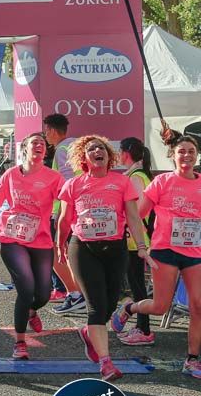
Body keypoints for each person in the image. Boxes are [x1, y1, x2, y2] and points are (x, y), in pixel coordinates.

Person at [55, 135, 152, 381]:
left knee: (108, 304)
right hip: (84, 248)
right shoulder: (74, 184)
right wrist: (59, 245)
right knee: (96, 306)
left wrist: (141, 246)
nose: (97, 151)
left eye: (101, 148)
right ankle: (106, 363)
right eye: (91, 149)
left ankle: (89, 333)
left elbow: (132, 216)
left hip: (116, 248)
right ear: (84, 158)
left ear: (109, 156)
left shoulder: (122, 182)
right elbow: (65, 220)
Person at [112, 132, 201, 379]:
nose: (186, 155)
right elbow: (138, 214)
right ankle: (129, 308)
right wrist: (140, 244)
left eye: (191, 151)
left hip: (194, 253)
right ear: (172, 156)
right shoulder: (162, 183)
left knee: (198, 306)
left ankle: (192, 359)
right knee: (160, 306)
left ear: (197, 156)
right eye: (181, 151)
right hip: (165, 252)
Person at [0, 133, 63, 360]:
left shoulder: (53, 177)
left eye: (42, 144)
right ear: (24, 148)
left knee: (43, 294)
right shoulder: (10, 175)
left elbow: (68, 198)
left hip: (41, 239)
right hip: (12, 238)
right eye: (35, 143)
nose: (39, 146)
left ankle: (32, 309)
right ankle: (20, 342)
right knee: (25, 288)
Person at [44, 113, 86, 312]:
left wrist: (60, 213)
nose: (45, 136)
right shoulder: (75, 145)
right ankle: (78, 293)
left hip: (65, 210)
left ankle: (75, 293)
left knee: (55, 252)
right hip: (78, 208)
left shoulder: (62, 149)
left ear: (52, 130)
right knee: (66, 253)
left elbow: (68, 184)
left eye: (46, 131)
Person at [116, 137, 155, 346]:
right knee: (136, 284)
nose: (119, 156)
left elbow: (138, 211)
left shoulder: (136, 176)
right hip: (135, 238)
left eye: (120, 151)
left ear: (126, 152)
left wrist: (121, 218)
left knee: (138, 286)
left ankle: (144, 329)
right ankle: (141, 327)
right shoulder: (135, 174)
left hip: (136, 239)